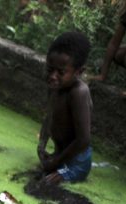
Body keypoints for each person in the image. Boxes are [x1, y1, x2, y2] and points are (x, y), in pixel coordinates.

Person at [37, 31, 93, 186]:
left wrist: (55, 163)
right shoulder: (54, 84)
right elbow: (49, 117)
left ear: (79, 71)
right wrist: (41, 145)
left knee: (46, 185)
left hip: (77, 162)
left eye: (61, 72)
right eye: (50, 69)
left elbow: (83, 140)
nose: (53, 76)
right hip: (60, 153)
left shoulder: (79, 92)